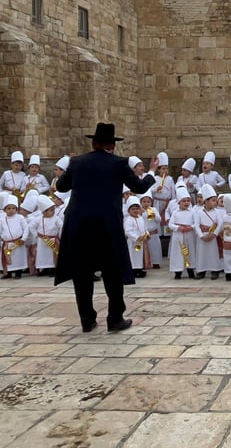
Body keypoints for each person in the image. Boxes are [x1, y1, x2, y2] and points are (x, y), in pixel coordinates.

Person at [53, 123, 156, 333]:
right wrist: (151, 172)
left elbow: (61, 186)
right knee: (112, 271)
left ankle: (87, 319)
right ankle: (115, 318)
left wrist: (71, 167)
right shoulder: (119, 164)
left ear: (93, 142)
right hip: (106, 224)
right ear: (113, 145)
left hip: (78, 224)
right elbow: (139, 187)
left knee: (82, 273)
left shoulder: (77, 162)